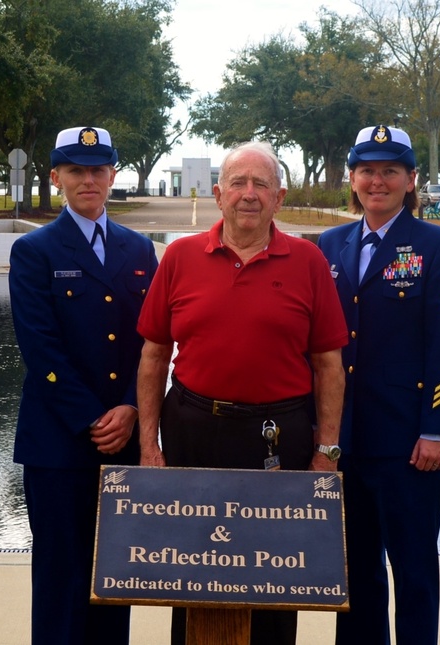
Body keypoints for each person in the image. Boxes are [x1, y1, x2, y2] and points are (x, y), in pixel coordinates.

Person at [136, 141, 348, 645]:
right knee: (190, 574)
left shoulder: (308, 260)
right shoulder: (181, 256)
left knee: (275, 578)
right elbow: (152, 357)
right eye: (238, 183)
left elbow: (329, 366)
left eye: (261, 185)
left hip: (279, 437)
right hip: (192, 430)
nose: (248, 194)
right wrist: (149, 446)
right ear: (218, 194)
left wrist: (326, 451)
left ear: (279, 197)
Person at [317, 125, 440, 645]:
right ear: (352, 179)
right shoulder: (329, 245)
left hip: (408, 445)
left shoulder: (438, 245)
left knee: (414, 574)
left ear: (411, 180)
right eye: (366, 171)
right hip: (345, 443)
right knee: (354, 576)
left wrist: (437, 432)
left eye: (389, 171)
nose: (376, 181)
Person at [9, 126, 158, 644]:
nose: (88, 179)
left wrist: (129, 410)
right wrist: (94, 419)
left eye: (98, 169)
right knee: (60, 579)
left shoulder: (140, 250)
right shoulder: (35, 251)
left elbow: (151, 344)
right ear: (57, 177)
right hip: (60, 442)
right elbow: (41, 349)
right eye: (76, 170)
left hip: (124, 438)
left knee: (113, 578)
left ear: (113, 174)